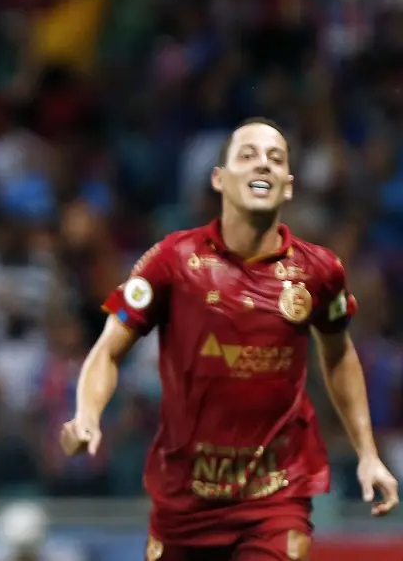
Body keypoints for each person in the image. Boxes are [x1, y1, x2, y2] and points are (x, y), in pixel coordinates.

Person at [60, 118, 399, 561]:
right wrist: (87, 413)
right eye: (248, 155)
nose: (263, 164)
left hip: (276, 499)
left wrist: (368, 453)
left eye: (276, 159)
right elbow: (108, 350)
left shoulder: (319, 271)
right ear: (219, 179)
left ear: (288, 186)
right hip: (185, 503)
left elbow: (338, 355)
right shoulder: (172, 261)